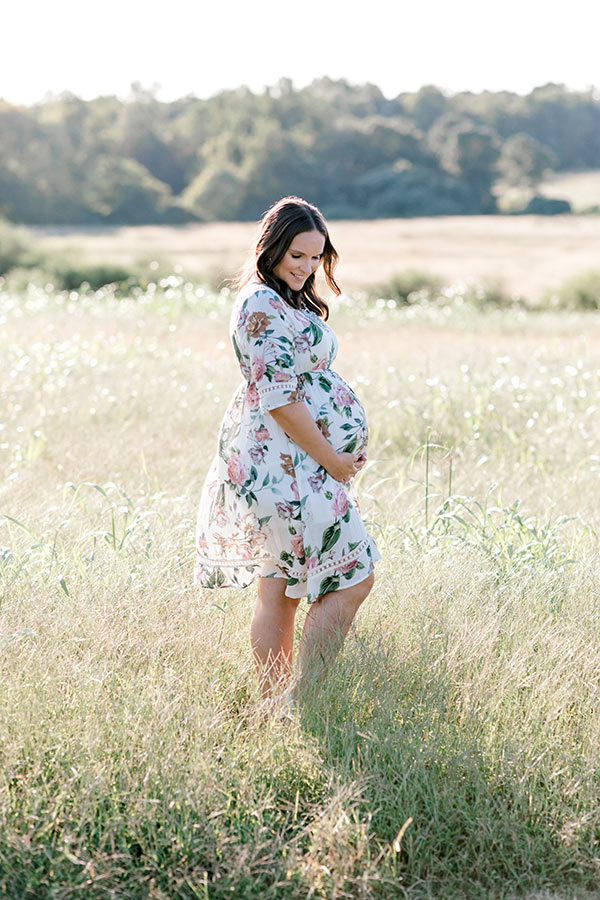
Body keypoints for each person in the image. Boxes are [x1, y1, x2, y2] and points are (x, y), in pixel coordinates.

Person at [194, 195, 381, 716]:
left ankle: (277, 708)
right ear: (272, 248)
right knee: (351, 576)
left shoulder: (286, 300)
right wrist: (333, 461)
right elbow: (279, 399)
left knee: (279, 589)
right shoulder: (259, 304)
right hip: (286, 467)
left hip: (291, 465)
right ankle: (304, 701)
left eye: (316, 257)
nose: (306, 267)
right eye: (296, 255)